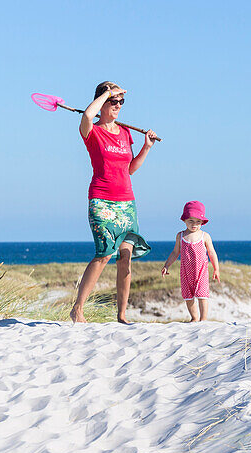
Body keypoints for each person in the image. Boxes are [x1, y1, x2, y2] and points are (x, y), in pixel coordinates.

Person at [70, 81, 160, 324]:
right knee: (104, 254)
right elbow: (89, 114)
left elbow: (129, 169)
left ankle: (121, 315)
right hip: (101, 200)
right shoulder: (92, 131)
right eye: (114, 101)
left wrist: (146, 148)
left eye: (121, 101)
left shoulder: (125, 132)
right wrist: (108, 93)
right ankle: (78, 308)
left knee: (126, 257)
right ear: (102, 101)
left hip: (126, 202)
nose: (118, 105)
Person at [162, 201, 220, 321]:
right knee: (188, 296)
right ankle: (194, 318)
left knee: (202, 295)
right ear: (184, 220)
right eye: (191, 221)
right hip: (185, 272)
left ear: (202, 222)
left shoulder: (205, 236)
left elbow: (212, 253)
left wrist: (216, 269)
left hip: (201, 272)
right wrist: (167, 265)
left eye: (198, 221)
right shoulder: (181, 236)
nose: (194, 224)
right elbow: (175, 252)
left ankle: (203, 319)